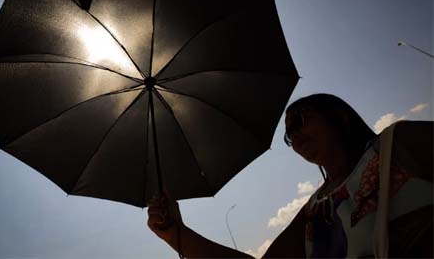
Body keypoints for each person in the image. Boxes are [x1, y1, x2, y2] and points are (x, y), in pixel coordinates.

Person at [146, 93, 433, 258]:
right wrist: (176, 233)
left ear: (340, 116)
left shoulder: (398, 145)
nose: (293, 134)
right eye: (287, 134)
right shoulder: (314, 212)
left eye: (299, 121)